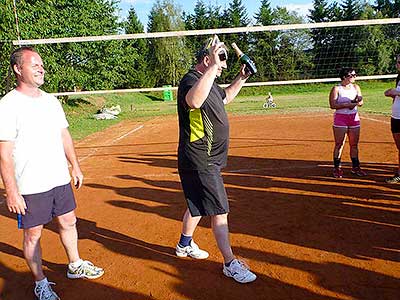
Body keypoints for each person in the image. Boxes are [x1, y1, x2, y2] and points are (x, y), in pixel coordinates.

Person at [0, 47, 104, 300]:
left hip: (58, 179)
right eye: (33, 64)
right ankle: (41, 282)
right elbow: (4, 153)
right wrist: (12, 192)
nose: (40, 68)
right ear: (17, 69)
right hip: (31, 185)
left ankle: (75, 264)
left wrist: (75, 166)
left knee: (69, 221)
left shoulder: (51, 100)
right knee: (33, 234)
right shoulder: (8, 105)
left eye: (42, 64)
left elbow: (64, 135)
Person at [175, 35, 256, 284]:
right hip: (202, 158)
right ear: (207, 59)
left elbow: (225, 97)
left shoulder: (208, 81)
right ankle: (230, 263)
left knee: (197, 204)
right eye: (220, 60)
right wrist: (212, 67)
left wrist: (241, 77)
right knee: (220, 211)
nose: (223, 66)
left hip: (202, 157)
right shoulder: (191, 81)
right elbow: (195, 101)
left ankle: (184, 245)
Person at [329, 67, 367, 178]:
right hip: (341, 118)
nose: (355, 77)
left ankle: (356, 167)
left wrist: (355, 102)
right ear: (345, 77)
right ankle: (337, 168)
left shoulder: (356, 87)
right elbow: (333, 105)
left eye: (355, 75)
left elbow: (361, 102)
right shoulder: (336, 89)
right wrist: (347, 104)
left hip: (354, 117)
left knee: (354, 144)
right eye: (352, 75)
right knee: (339, 144)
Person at [384, 54, 400, 183]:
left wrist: (394, 92)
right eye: (398, 62)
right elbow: (390, 93)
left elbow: (393, 92)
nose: (398, 64)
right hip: (396, 116)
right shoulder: (399, 77)